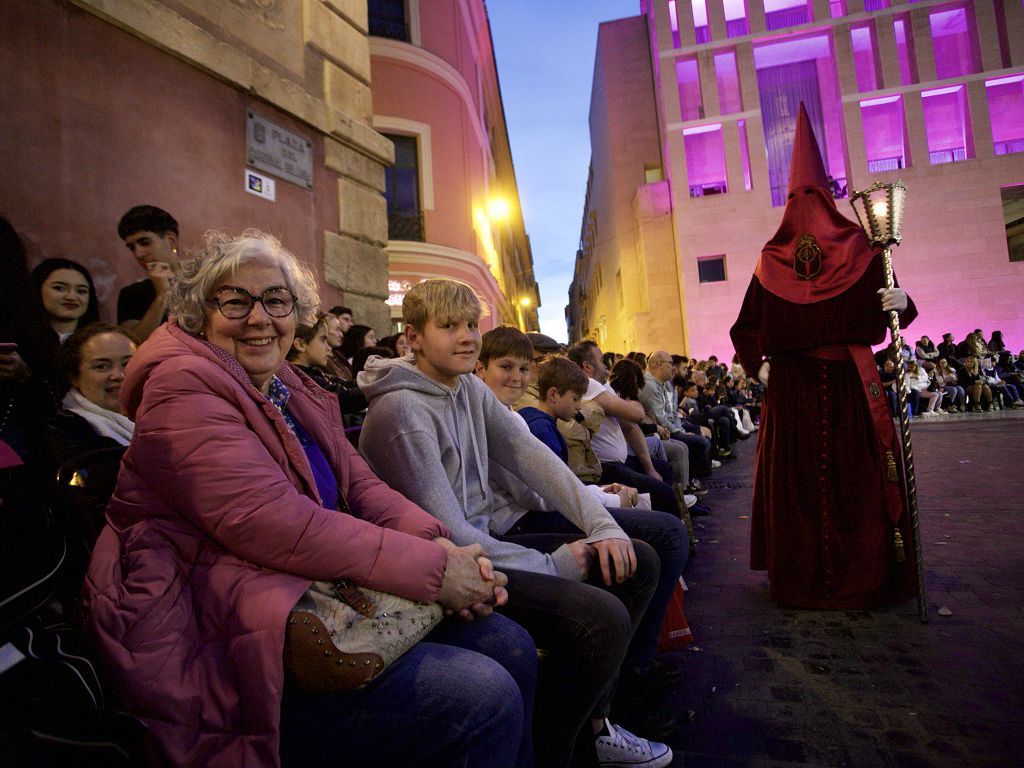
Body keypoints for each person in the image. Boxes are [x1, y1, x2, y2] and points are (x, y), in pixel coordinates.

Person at [81, 231, 535, 768]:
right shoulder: (181, 388)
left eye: (275, 300)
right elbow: (277, 522)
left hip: (302, 591)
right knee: (481, 696)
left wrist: (446, 548)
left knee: (510, 644)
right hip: (210, 623)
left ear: (295, 314)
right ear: (199, 313)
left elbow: (362, 487)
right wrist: (440, 571)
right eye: (234, 300)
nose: (258, 317)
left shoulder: (287, 385)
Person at [358, 278, 673, 768]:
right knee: (602, 617)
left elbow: (533, 458)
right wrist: (552, 564)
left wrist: (602, 525)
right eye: (448, 326)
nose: (466, 337)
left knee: (638, 558)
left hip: (490, 547)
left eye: (471, 325)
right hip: (445, 575)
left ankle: (595, 726)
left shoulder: (465, 388)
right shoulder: (401, 410)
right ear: (414, 337)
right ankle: (556, 750)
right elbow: (448, 532)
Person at [729, 104, 919, 610]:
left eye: (809, 194)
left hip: (837, 387)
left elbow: (895, 308)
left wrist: (903, 300)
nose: (805, 205)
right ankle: (816, 578)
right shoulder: (773, 262)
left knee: (847, 483)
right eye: (799, 196)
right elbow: (744, 330)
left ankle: (848, 577)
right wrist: (763, 368)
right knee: (816, 488)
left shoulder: (862, 249)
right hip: (807, 388)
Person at [39, 323, 136, 467]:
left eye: (128, 363)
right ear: (74, 377)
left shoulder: (165, 416)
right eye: (102, 366)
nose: (119, 375)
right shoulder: (66, 433)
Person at [115, 205, 180, 342]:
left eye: (145, 242)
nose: (138, 254)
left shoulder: (204, 283)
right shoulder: (132, 294)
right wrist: (162, 297)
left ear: (170, 241)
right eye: (132, 247)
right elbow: (132, 345)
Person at [31, 258, 101, 342]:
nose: (71, 297)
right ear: (37, 290)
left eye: (81, 291)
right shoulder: (15, 342)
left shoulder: (102, 342)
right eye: (59, 288)